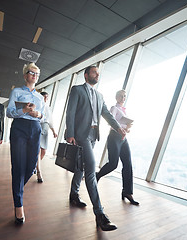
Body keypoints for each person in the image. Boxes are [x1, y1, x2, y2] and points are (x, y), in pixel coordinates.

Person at [65, 65, 126, 231]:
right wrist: (70, 133)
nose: (97, 75)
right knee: (91, 170)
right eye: (94, 72)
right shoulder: (77, 90)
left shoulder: (100, 95)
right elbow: (70, 112)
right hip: (81, 135)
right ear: (86, 75)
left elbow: (107, 114)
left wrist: (119, 127)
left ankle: (74, 194)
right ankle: (100, 215)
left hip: (93, 136)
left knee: (81, 167)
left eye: (98, 73)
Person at [6, 62, 45, 225]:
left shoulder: (40, 97)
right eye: (31, 72)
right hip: (20, 127)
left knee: (30, 167)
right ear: (25, 75)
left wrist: (38, 114)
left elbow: (43, 115)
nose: (34, 75)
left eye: (36, 74)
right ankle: (18, 204)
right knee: (18, 165)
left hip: (35, 128)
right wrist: (24, 110)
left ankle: (18, 188)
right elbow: (9, 112)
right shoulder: (16, 91)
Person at [96, 90, 139, 205]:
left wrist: (127, 127)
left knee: (128, 164)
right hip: (114, 137)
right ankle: (97, 175)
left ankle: (127, 192)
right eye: (120, 96)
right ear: (116, 97)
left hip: (123, 139)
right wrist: (121, 127)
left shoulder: (124, 111)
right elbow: (110, 122)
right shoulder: (114, 108)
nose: (122, 97)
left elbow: (125, 128)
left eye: (124, 96)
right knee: (113, 164)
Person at [36, 92, 57, 183]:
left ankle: (35, 165)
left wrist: (54, 131)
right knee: (37, 150)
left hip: (45, 129)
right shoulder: (37, 105)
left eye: (47, 97)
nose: (45, 98)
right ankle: (38, 172)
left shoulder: (48, 108)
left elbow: (50, 121)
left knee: (43, 150)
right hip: (37, 127)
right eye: (44, 96)